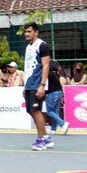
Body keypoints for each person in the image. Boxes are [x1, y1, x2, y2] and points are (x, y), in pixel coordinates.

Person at [23, 22, 53, 151]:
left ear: (36, 32)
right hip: (29, 84)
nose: (27, 34)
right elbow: (27, 68)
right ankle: (45, 137)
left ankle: (41, 139)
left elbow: (46, 65)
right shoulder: (28, 47)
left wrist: (42, 85)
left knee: (36, 110)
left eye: (29, 31)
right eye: (26, 32)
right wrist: (25, 87)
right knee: (31, 111)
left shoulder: (42, 45)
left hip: (37, 83)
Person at [45, 60, 69, 135]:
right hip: (59, 92)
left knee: (50, 111)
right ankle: (53, 129)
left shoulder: (48, 73)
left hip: (51, 93)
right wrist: (62, 96)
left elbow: (45, 85)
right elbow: (59, 85)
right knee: (55, 112)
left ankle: (63, 124)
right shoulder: (56, 73)